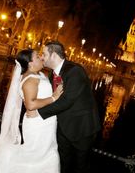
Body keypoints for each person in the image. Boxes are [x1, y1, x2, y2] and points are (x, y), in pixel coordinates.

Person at [37, 41, 101, 173]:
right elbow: (55, 98)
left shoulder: (75, 71)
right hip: (63, 127)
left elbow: (67, 100)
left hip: (82, 128)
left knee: (80, 167)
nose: (42, 57)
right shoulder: (51, 74)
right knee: (62, 163)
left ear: (53, 55)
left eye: (44, 54)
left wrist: (37, 112)